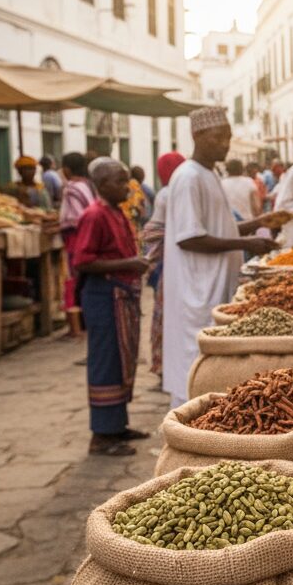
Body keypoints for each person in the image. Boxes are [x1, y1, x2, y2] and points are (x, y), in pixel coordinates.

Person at [162, 107, 278, 408]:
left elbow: (217, 226)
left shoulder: (209, 173)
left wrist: (258, 223)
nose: (226, 144)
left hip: (214, 284)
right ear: (197, 136)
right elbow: (189, 237)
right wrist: (244, 241)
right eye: (219, 137)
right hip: (198, 288)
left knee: (209, 369)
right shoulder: (188, 177)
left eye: (228, 137)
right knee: (194, 368)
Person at [70, 159, 150, 456]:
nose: (126, 186)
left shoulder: (116, 212)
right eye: (119, 181)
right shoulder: (94, 215)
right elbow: (83, 261)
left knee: (121, 360)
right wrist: (128, 263)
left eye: (127, 180)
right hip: (103, 296)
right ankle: (101, 435)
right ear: (102, 185)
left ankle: (116, 425)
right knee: (105, 360)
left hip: (120, 294)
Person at [141, 151, 185, 378]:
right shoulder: (174, 192)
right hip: (179, 263)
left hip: (170, 264)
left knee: (167, 315)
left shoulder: (167, 193)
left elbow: (152, 231)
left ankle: (166, 366)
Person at [58, 152, 96, 338]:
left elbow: (75, 217)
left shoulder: (71, 188)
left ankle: (75, 328)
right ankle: (84, 322)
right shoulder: (87, 185)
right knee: (82, 279)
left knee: (72, 279)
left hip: (76, 239)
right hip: (86, 237)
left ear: (66, 169)